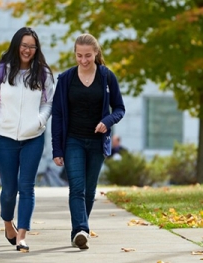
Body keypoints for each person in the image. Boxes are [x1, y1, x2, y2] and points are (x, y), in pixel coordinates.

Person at [0, 27, 54, 252]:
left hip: (33, 138)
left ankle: (22, 235)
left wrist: (39, 121)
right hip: (5, 138)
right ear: (16, 45)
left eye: (32, 46)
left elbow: (48, 103)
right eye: (24, 45)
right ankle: (7, 224)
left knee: (27, 187)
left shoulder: (43, 74)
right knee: (9, 189)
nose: (28, 50)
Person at [51, 33, 125, 249]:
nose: (83, 60)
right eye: (79, 56)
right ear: (75, 54)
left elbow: (119, 108)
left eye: (88, 56)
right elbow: (58, 115)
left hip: (96, 142)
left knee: (90, 190)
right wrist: (57, 149)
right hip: (73, 139)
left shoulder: (106, 77)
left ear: (96, 53)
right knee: (77, 188)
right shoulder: (66, 79)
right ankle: (81, 230)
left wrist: (108, 121)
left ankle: (80, 230)